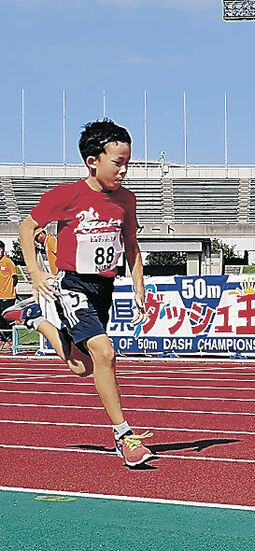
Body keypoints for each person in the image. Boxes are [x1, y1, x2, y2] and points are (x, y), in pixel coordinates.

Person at [2, 119, 153, 467]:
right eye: (117, 162)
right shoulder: (66, 196)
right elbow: (27, 227)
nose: (124, 170)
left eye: (128, 162)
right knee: (104, 352)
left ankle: (37, 319)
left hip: (105, 288)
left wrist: (139, 285)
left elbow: (130, 244)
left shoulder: (126, 200)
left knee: (81, 366)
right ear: (93, 161)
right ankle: (124, 436)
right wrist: (36, 272)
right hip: (74, 285)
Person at [0, 242, 17, 347]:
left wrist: (10, 288)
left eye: (1, 249)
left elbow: (15, 278)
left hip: (8, 296)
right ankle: (2, 339)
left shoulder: (8, 262)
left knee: (8, 318)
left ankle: (10, 339)